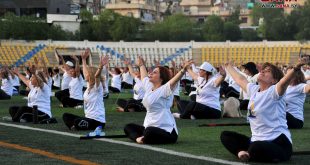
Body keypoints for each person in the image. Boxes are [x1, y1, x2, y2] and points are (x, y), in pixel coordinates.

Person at [220, 58, 308, 163]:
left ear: (274, 80)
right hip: (256, 140)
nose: (262, 71)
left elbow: (284, 82)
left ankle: (249, 152)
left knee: (256, 147)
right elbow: (240, 79)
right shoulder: (254, 90)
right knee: (226, 136)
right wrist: (228, 65)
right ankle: (242, 152)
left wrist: (296, 68)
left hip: (278, 142)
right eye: (263, 70)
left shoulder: (275, 92)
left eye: (267, 71)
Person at [124, 56, 189, 144]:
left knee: (149, 131)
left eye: (154, 72)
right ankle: (139, 139)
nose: (150, 73)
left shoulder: (165, 89)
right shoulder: (149, 86)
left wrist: (183, 70)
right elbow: (144, 77)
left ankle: (144, 138)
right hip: (149, 127)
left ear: (161, 78)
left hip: (167, 130)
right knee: (128, 127)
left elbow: (174, 80)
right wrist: (141, 65)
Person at [63, 50, 108, 130]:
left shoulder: (97, 87)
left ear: (91, 75)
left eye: (87, 73)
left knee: (77, 121)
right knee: (66, 116)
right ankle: (75, 126)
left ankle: (76, 125)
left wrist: (100, 66)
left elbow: (97, 76)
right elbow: (84, 71)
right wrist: (83, 60)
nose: (85, 74)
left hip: (97, 121)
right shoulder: (88, 86)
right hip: (88, 118)